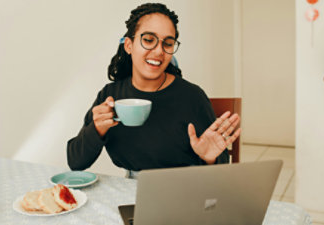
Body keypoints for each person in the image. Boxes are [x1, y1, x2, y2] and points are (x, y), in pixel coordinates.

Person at [67, 3, 241, 178]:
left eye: (168, 43)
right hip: (129, 190)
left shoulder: (192, 97)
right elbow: (75, 162)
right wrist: (96, 129)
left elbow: (220, 164)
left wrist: (209, 159)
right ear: (129, 45)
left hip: (184, 189)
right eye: (149, 40)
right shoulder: (110, 96)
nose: (159, 51)